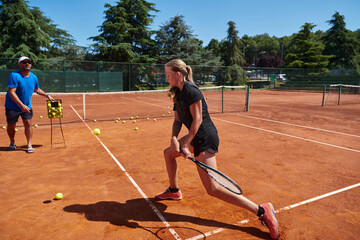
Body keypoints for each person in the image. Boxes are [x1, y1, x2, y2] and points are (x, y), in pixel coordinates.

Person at [155, 59, 279, 239]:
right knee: (168, 153)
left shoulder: (191, 90)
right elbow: (177, 120)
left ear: (178, 74)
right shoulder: (177, 93)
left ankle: (261, 210)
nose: (166, 78)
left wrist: (186, 142)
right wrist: (174, 138)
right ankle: (174, 191)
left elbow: (197, 119)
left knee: (213, 189)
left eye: (167, 74)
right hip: (194, 136)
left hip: (205, 136)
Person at [5, 56, 54, 153]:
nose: (27, 63)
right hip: (12, 106)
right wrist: (21, 105)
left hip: (27, 105)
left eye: (29, 62)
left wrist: (46, 95)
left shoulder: (33, 77)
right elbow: (11, 92)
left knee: (28, 124)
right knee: (11, 126)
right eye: (24, 62)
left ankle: (29, 144)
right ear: (20, 64)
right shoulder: (14, 75)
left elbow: (36, 89)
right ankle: (12, 142)